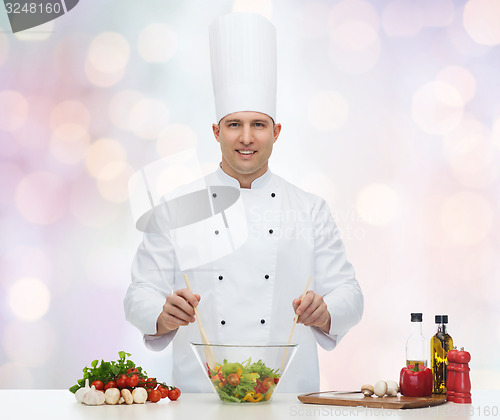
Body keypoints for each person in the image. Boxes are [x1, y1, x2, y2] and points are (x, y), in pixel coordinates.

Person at [124, 12, 363, 393]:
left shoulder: (309, 208)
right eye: (234, 124)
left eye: (259, 125)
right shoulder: (177, 207)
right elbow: (139, 292)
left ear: (277, 132)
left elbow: (350, 292)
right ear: (216, 131)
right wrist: (161, 314)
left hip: (288, 397)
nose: (246, 138)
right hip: (201, 399)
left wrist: (327, 310)